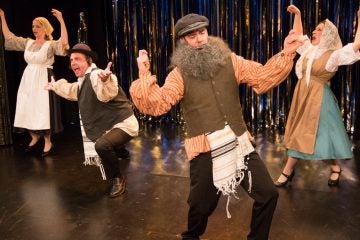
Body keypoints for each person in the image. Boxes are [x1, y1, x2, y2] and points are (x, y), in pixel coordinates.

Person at [130, 13, 303, 240]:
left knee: (268, 194)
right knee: (201, 205)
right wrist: (144, 72)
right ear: (183, 41)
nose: (200, 39)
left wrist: (287, 51)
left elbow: (262, 77)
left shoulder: (231, 61)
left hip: (239, 143)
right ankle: (191, 236)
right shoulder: (179, 74)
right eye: (192, 36)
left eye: (202, 33)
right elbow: (158, 103)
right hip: (205, 148)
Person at [274, 5, 360, 188]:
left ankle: (287, 171)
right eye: (315, 28)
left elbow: (357, 46)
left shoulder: (334, 55)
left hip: (319, 100)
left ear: (328, 35)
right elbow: (298, 35)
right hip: (303, 97)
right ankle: (335, 167)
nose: (314, 31)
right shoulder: (308, 51)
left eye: (319, 30)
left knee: (312, 138)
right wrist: (297, 14)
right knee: (309, 139)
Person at [45, 43, 139, 198]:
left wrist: (106, 80)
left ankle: (118, 178)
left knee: (101, 145)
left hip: (124, 123)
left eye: (77, 59)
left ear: (88, 61)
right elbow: (73, 90)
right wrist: (55, 86)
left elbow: (106, 93)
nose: (73, 63)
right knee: (109, 142)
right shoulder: (83, 80)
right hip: (111, 124)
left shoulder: (96, 75)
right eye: (71, 60)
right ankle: (121, 150)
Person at [0, 8, 69, 156]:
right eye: (33, 26)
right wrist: (2, 17)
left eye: (37, 26)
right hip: (28, 79)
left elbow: (64, 44)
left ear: (44, 28)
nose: (34, 29)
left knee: (43, 110)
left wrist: (61, 21)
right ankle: (34, 136)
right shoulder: (28, 43)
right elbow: (10, 38)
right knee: (27, 107)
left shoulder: (50, 45)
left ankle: (48, 141)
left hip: (43, 78)